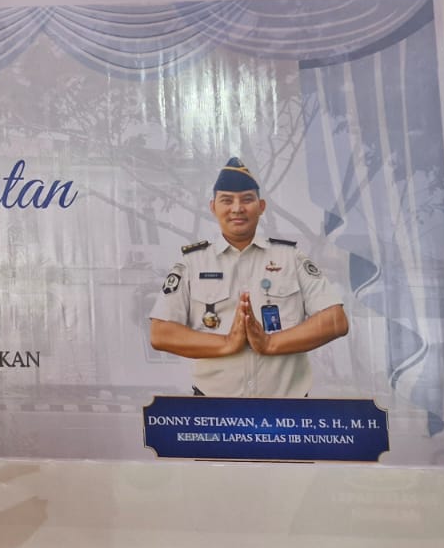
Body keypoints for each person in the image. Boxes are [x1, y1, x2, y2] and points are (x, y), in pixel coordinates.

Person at [148, 157, 350, 397]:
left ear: (261, 206)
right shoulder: (192, 263)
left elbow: (335, 320)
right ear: (213, 207)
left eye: (246, 199)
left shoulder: (291, 258)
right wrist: (227, 343)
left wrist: (270, 343)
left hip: (287, 407)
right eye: (227, 200)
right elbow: (161, 333)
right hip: (214, 407)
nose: (237, 208)